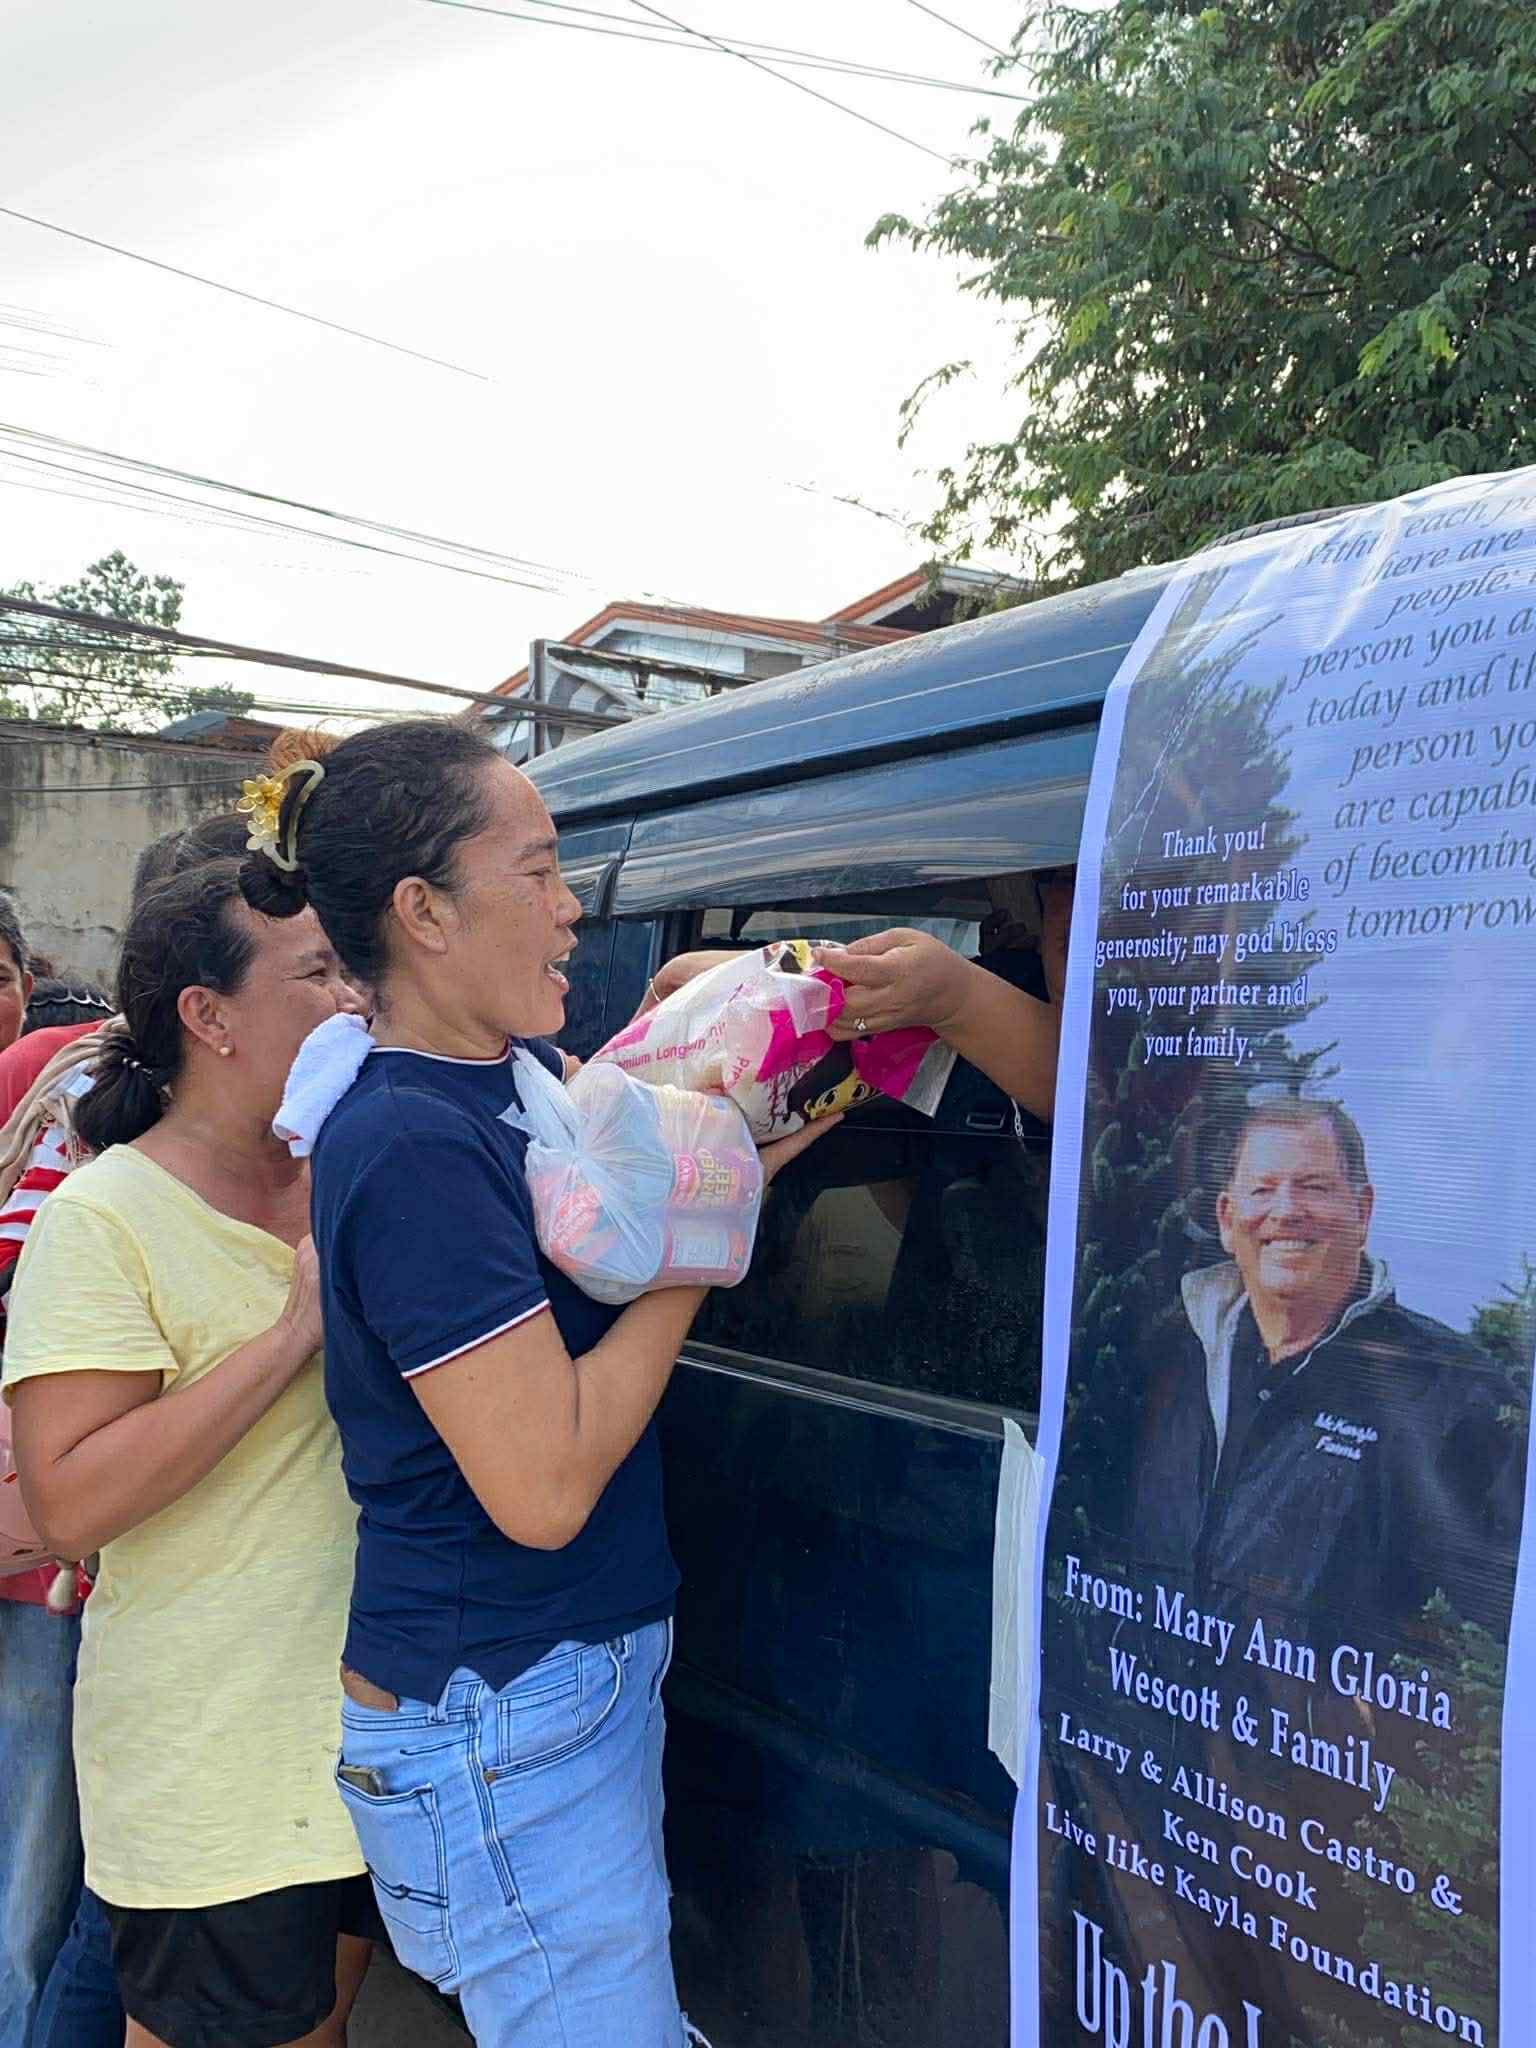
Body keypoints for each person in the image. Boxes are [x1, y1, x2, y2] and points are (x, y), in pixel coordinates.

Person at [237, 719, 830, 2048]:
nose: (573, 911)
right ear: (424, 913)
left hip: (533, 1695)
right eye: (543, 872)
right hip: (501, 1713)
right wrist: (703, 1244)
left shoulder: (506, 1083)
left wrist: (744, 1134)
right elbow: (547, 1486)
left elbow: (612, 1214)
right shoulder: (409, 1146)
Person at [4, 860, 375, 2048]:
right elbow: (69, 1500)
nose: (352, 998)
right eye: (316, 972)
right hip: (213, 1764)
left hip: (371, 1740)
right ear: (206, 1017)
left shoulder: (360, 1171)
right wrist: (290, 1336)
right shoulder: (111, 1213)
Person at [1130, 1095, 1524, 1633]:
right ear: (1227, 1219)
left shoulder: (1458, 1394)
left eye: (1314, 1186)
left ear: (1362, 1212)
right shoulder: (1165, 1358)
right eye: (1263, 1189)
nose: (1287, 1211)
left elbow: (1481, 1650)